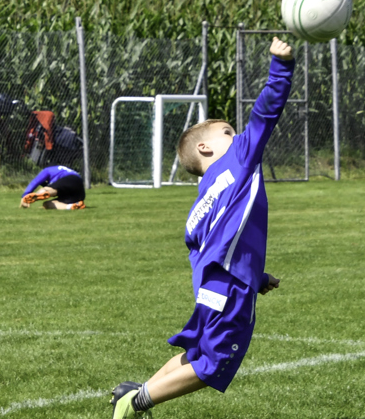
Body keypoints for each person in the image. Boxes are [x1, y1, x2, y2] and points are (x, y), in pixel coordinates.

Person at [110, 37, 293, 419]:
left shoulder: (202, 203)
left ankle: (133, 391)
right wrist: (280, 67)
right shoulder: (239, 159)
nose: (237, 136)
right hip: (228, 287)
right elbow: (265, 114)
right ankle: (136, 402)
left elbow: (210, 248)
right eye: (227, 132)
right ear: (205, 149)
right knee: (213, 363)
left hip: (213, 286)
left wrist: (255, 277)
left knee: (197, 354)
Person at [19, 165, 85, 210]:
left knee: (48, 189)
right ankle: (71, 206)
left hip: (70, 179)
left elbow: (35, 182)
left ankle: (41, 193)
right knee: (46, 204)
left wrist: (25, 195)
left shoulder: (48, 170)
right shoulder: (66, 170)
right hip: (79, 190)